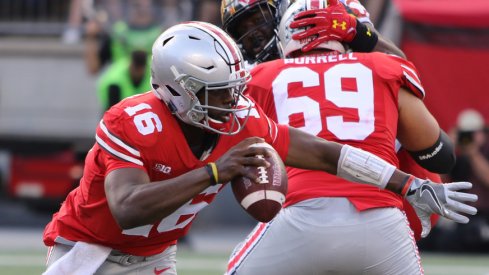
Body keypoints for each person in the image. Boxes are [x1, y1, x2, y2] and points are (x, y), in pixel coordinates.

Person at [42, 21, 475, 275]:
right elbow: (128, 207)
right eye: (218, 94)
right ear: (176, 91)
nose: (233, 103)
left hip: (155, 254)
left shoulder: (239, 118)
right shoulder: (133, 120)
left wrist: (407, 185)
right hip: (90, 251)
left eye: (234, 90)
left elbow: (326, 153)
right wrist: (215, 172)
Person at [225, 1, 470, 274]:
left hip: (300, 214)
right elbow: (443, 157)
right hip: (384, 220)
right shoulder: (383, 68)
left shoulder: (261, 78)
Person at [431, 109, 489, 252]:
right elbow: (438, 181)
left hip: (484, 217)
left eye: (472, 133)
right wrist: (447, 149)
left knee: (475, 234)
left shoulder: (484, 153)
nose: (468, 138)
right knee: (438, 238)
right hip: (464, 219)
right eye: (465, 134)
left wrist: (473, 154)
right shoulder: (459, 158)